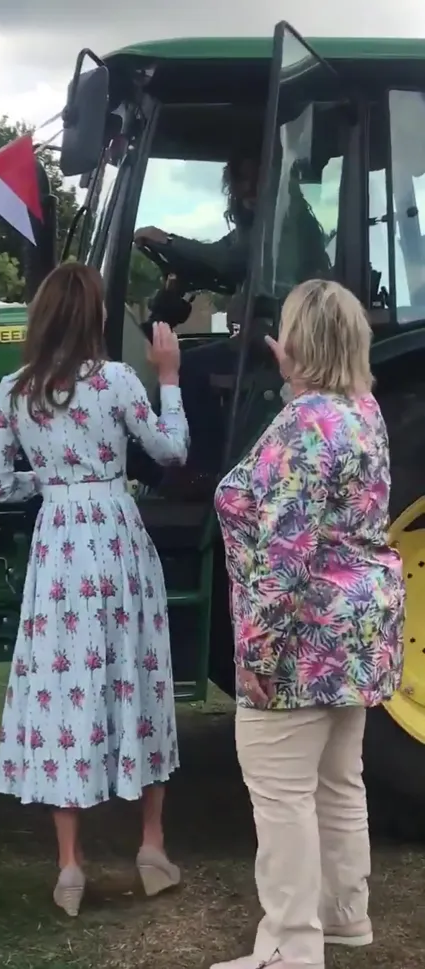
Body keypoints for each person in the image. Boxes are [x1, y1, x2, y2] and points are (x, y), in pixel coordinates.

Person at [0, 263, 189, 917]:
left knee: (62, 689)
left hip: (59, 548)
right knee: (139, 675)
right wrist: (170, 379)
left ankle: (70, 866)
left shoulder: (14, 392)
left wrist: (43, 486)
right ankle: (150, 846)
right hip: (116, 541)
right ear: (93, 317)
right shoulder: (117, 381)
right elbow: (172, 450)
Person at [213, 279, 405, 969]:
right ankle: (343, 915)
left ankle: (292, 947)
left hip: (298, 640)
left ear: (289, 345)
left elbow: (284, 550)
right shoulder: (364, 410)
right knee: (336, 779)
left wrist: (255, 649)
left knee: (281, 793)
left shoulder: (303, 425)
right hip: (355, 636)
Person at [134, 155, 259, 290]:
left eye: (256, 179)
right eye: (241, 179)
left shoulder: (268, 230)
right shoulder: (242, 231)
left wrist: (167, 240)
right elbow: (218, 250)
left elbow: (230, 261)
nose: (249, 188)